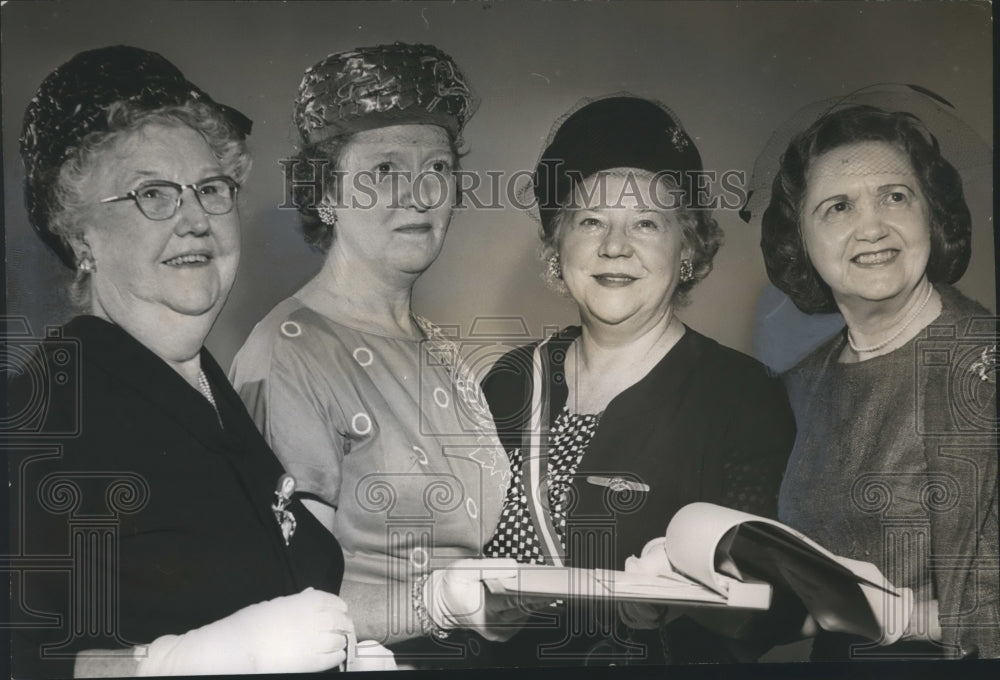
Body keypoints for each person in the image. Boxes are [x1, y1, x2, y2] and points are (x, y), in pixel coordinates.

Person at [7, 46, 367, 678]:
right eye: (154, 194)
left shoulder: (208, 389)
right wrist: (181, 660)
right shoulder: (42, 414)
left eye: (210, 188)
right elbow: (22, 659)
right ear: (80, 234)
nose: (196, 218)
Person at [230, 43, 525, 666]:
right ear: (324, 196)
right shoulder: (289, 355)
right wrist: (439, 603)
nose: (419, 196)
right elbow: (291, 594)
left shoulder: (444, 354)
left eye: (438, 169)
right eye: (385, 170)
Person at [479, 95, 797, 665]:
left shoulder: (742, 395)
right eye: (591, 220)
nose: (614, 247)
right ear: (557, 245)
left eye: (646, 222)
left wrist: (680, 601)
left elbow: (764, 602)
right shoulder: (507, 382)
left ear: (688, 247)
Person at [758, 97, 998, 659]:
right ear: (802, 241)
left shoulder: (985, 365)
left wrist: (911, 618)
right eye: (838, 207)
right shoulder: (797, 386)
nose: (871, 227)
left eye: (895, 196)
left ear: (931, 216)